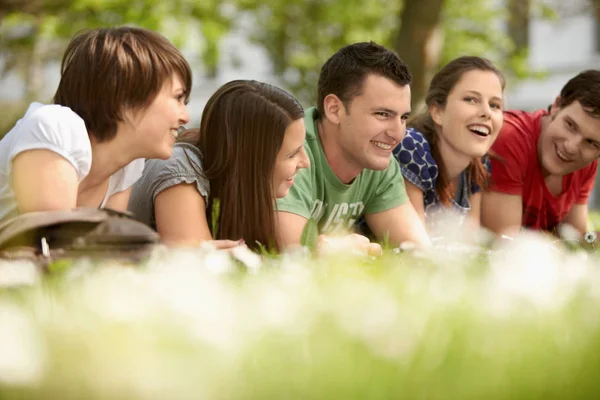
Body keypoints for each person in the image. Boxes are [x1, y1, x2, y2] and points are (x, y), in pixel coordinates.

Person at [0, 26, 191, 222]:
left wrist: (192, 251)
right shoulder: (54, 127)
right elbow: (49, 245)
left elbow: (105, 247)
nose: (186, 117)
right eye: (177, 98)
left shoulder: (128, 167)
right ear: (124, 97)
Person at [275, 41, 430, 249]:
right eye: (383, 114)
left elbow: (417, 250)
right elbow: (291, 249)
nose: (398, 134)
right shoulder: (292, 149)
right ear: (334, 109)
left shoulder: (377, 158)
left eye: (403, 118)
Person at [128, 80, 310, 251]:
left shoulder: (240, 185)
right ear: (252, 158)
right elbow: (200, 273)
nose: (306, 163)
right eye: (292, 154)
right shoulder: (181, 173)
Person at [481, 70, 600, 237]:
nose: (572, 147)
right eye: (570, 125)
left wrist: (594, 240)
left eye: (591, 142)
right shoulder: (510, 137)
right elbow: (503, 244)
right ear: (557, 106)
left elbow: (575, 240)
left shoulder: (586, 164)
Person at [393, 56, 504, 232]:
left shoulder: (478, 162)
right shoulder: (412, 147)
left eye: (495, 105)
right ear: (437, 111)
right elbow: (413, 247)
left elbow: (470, 243)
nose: (487, 112)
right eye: (471, 99)